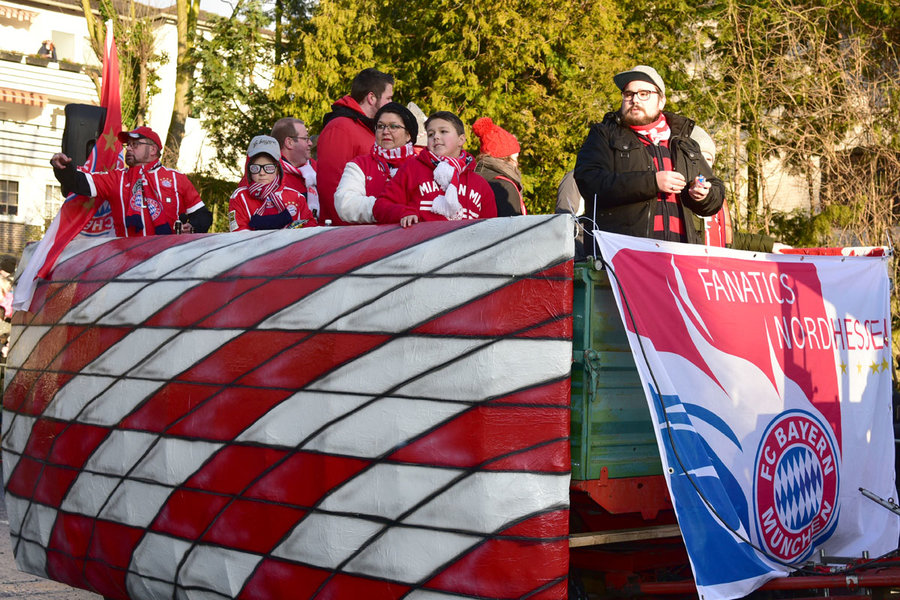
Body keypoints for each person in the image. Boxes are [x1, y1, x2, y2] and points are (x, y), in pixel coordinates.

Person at [574, 65, 724, 252]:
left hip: (679, 256)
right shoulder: (604, 134)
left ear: (661, 101)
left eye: (644, 94)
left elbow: (716, 190)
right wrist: (652, 183)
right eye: (628, 94)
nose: (635, 99)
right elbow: (589, 181)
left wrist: (703, 194)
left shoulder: (683, 142)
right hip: (624, 255)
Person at [50, 126, 212, 236]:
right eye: (128, 145)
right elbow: (79, 182)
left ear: (153, 149)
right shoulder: (117, 178)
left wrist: (192, 227)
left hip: (169, 262)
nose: (128, 148)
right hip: (128, 263)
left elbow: (203, 215)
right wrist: (62, 167)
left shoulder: (177, 179)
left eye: (135, 144)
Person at [373, 111, 496, 227]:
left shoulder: (480, 185)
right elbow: (380, 206)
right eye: (431, 134)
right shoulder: (412, 168)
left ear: (461, 139)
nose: (436, 136)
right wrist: (403, 213)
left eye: (443, 131)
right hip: (421, 241)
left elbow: (491, 228)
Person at [690, 126, 788, 252]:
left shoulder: (717, 198)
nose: (705, 165)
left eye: (708, 159)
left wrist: (770, 245)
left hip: (716, 263)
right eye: (700, 158)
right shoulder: (676, 194)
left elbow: (730, 241)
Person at [316, 68, 395, 225]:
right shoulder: (340, 127)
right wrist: (346, 228)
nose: (391, 104)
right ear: (371, 98)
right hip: (348, 230)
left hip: (371, 225)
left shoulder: (368, 128)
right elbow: (331, 185)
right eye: (388, 98)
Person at [333, 102, 418, 224]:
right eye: (380, 126)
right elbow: (345, 204)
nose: (385, 131)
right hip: (371, 235)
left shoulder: (422, 165)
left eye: (393, 126)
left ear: (408, 135)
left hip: (415, 235)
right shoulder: (360, 165)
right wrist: (387, 209)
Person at [228, 135, 317, 232]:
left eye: (269, 168)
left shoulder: (296, 197)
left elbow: (310, 228)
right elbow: (239, 233)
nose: (262, 173)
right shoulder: (240, 197)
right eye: (255, 168)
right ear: (249, 169)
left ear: (278, 169)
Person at [472, 117, 526, 217]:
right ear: (505, 158)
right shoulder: (505, 187)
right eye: (515, 158)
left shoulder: (474, 180)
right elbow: (513, 224)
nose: (517, 163)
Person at [269, 117, 319, 220]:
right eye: (305, 138)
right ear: (289, 142)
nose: (310, 143)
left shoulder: (316, 168)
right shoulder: (266, 175)